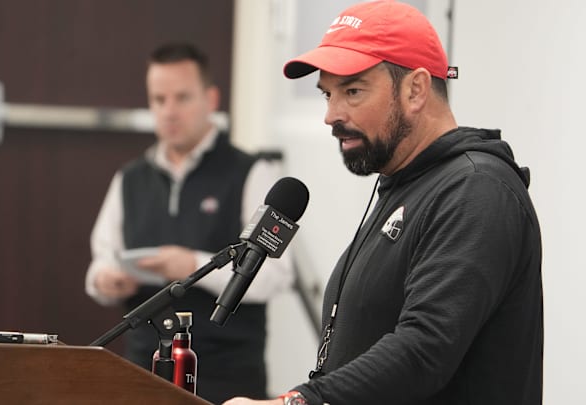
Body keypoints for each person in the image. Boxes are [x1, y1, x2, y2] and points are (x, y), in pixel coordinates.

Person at [224, 1, 543, 404]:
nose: (331, 115)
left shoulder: (477, 191)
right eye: (327, 95)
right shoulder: (405, 184)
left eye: (352, 91)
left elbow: (424, 348)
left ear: (415, 89)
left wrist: (296, 402)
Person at [85, 42, 294, 404]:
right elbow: (99, 266)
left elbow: (276, 275)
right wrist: (107, 280)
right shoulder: (129, 178)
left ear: (211, 99)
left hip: (227, 385)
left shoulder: (252, 172)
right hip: (140, 375)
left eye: (182, 97)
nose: (169, 111)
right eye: (158, 99)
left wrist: (191, 265)